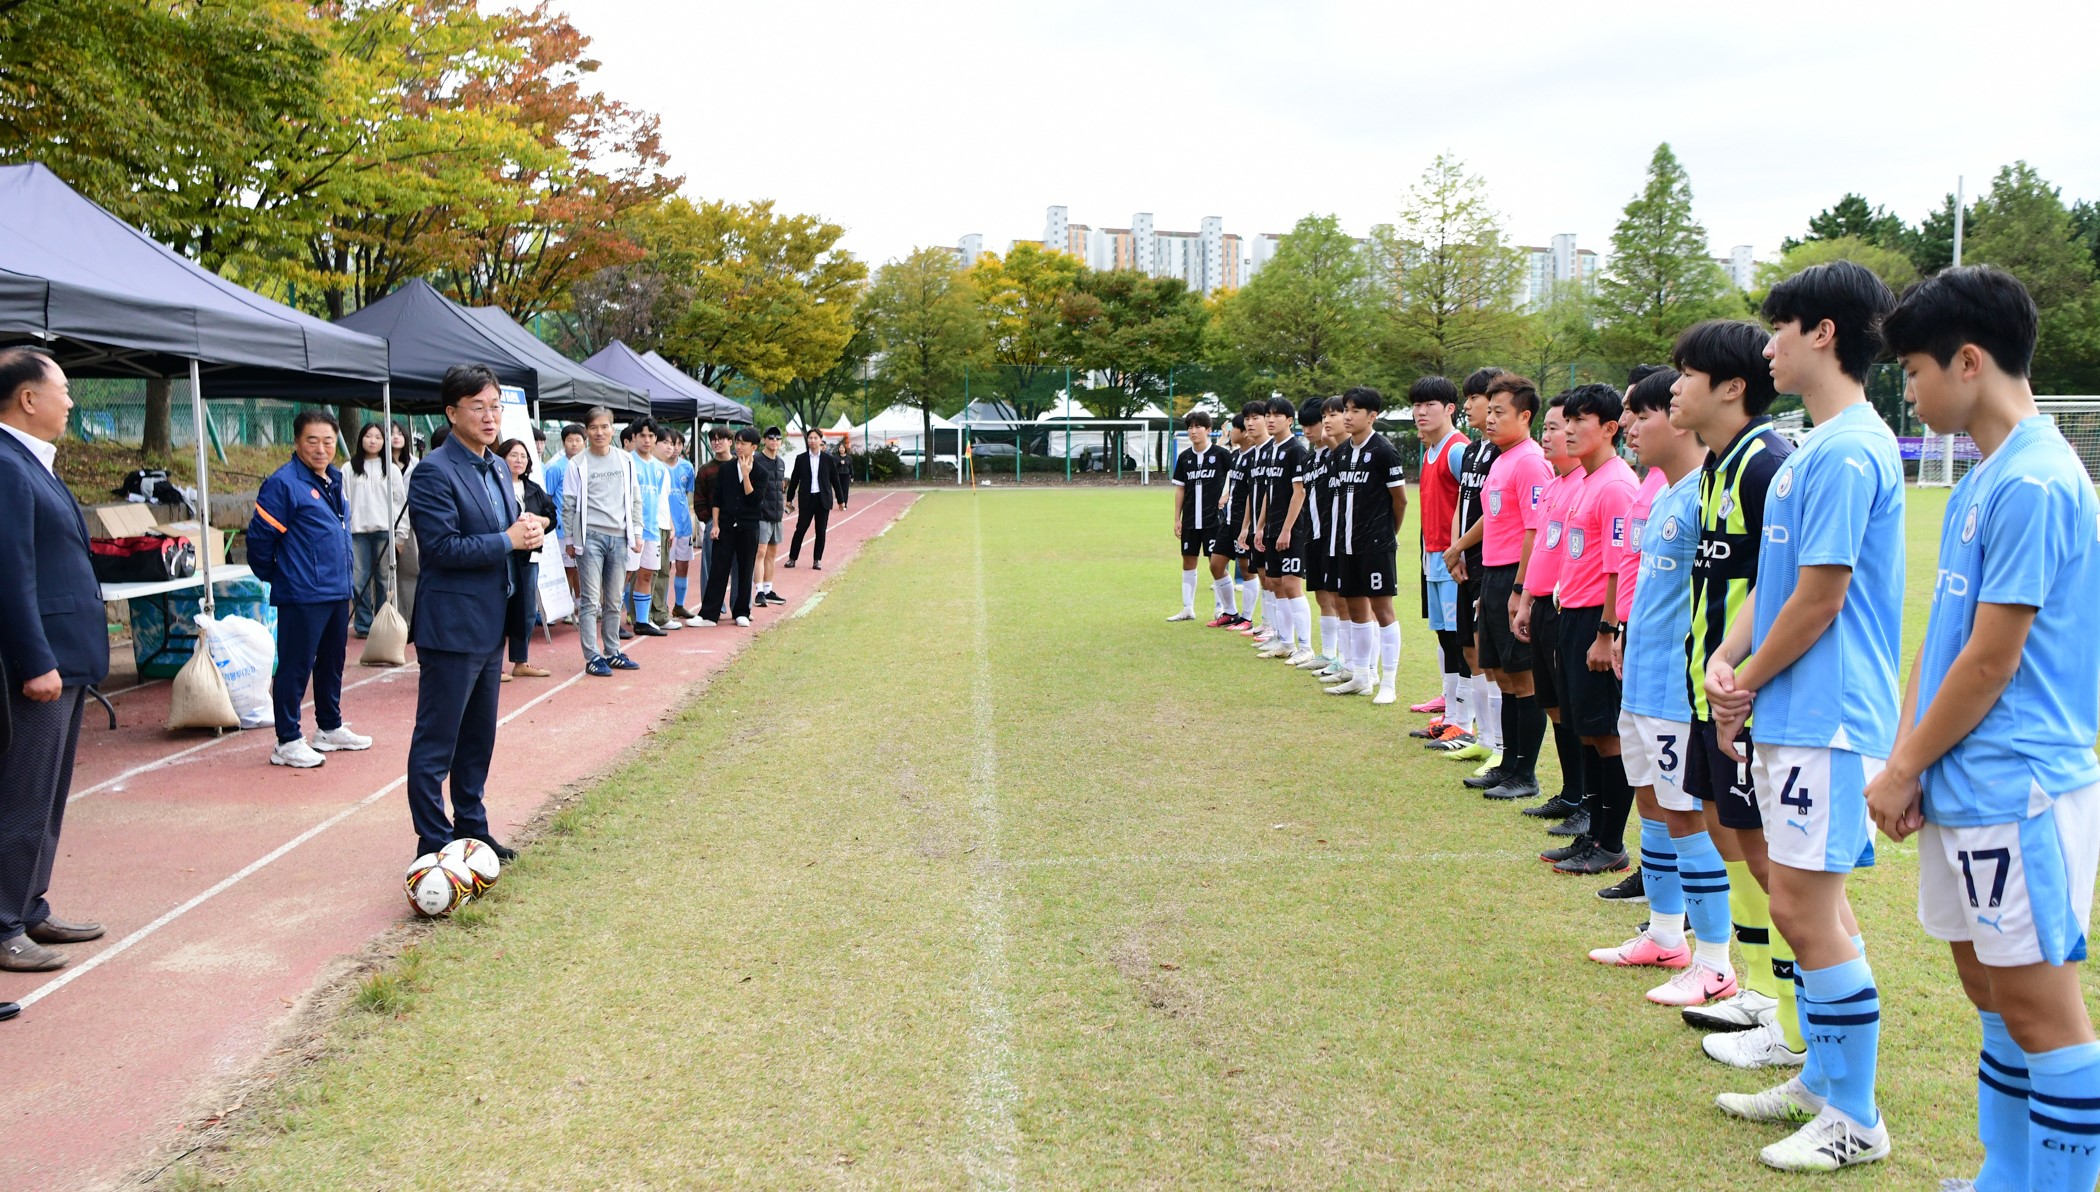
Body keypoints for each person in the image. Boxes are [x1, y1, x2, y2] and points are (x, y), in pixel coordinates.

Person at [1867, 266, 2100, 1192]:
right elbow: (1945, 635)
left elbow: (1995, 659)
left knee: (2044, 1010)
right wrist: (1907, 760)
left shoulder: (2039, 481)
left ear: (1970, 360)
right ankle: (2007, 1172)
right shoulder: (1978, 481)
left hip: (2022, 784)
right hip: (1961, 779)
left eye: (1916, 370)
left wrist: (1904, 766)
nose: (1911, 391)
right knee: (1991, 995)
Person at [1705, 260, 1902, 1171]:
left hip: (1826, 715)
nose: (1767, 345)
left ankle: (1854, 1117)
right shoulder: (1810, 446)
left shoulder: (1855, 446)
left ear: (1824, 332)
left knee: (1805, 905)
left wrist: (1744, 681)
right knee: (1803, 904)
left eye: (1778, 328)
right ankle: (1826, 1082)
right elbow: (1775, 583)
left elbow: (1821, 598)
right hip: (1793, 709)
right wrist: (1729, 653)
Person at [1588, 368, 1710, 972]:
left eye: (1641, 415)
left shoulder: (1705, 494)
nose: (1630, 427)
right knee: (1653, 806)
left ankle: (1713, 958)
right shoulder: (1662, 491)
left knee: (1685, 812)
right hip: (1639, 676)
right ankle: (1665, 934)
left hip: (1677, 687)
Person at [403, 364, 541, 862]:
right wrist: (506, 539)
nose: (490, 416)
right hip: (452, 626)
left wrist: (524, 529)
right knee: (438, 740)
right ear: (451, 412)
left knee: (478, 739)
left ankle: (472, 828)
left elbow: (501, 536)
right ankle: (434, 841)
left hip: (490, 622)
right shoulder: (434, 471)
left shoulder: (498, 467)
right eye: (478, 406)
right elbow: (440, 548)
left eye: (496, 406)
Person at [0, 348, 107, 979]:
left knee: (49, 796)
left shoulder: (31, 462)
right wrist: (34, 659)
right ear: (27, 398)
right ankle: (4, 923)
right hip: (41, 663)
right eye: (62, 389)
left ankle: (29, 902)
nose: (71, 401)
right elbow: (11, 574)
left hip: (67, 657)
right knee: (23, 794)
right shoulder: (8, 465)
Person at [1536, 382, 1639, 878]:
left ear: (1610, 428)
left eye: (1581, 421)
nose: (1571, 429)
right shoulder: (1587, 481)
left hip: (1595, 618)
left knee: (1606, 733)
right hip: (1572, 615)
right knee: (1587, 730)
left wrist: (1606, 629)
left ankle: (1611, 842)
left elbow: (1620, 566)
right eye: (1567, 420)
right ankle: (1594, 833)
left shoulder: (1617, 484)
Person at [246, 410, 371, 769]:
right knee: (296, 666)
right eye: (312, 441)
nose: (321, 448)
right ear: (297, 442)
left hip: (335, 589)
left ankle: (329, 728)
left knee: (332, 663)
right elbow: (259, 541)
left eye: (328, 441)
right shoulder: (283, 484)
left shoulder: (333, 479)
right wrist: (281, 575)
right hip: (302, 593)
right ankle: (287, 740)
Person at [1467, 375, 1552, 797]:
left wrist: (1520, 589)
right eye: (1490, 410)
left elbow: (1534, 532)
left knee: (1524, 678)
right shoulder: (1501, 458)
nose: (1490, 419)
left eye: (1500, 412)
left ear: (1525, 416)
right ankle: (1509, 762)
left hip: (1514, 578)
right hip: (1494, 575)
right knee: (1501, 674)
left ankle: (1526, 773)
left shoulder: (1531, 461)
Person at [1512, 397, 1589, 828]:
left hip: (1568, 608)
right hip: (1541, 604)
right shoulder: (1556, 483)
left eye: (1557, 427)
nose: (1548, 434)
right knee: (1556, 706)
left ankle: (1584, 801)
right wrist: (1524, 599)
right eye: (1548, 427)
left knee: (1575, 709)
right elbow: (1541, 548)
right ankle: (1570, 791)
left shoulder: (1586, 482)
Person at [1437, 367, 1508, 759]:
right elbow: (1461, 503)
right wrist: (1455, 550)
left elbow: (1494, 515)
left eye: (1474, 398)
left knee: (1489, 655)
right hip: (1465, 560)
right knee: (1470, 652)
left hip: (1489, 563)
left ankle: (1498, 743)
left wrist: (1461, 547)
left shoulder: (1502, 451)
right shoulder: (1474, 450)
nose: (1468, 406)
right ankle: (1480, 740)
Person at [1329, 387, 1408, 703]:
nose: (1348, 415)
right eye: (1346, 408)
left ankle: (1388, 681)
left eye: (1355, 410)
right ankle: (1361, 676)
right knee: (1355, 608)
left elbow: (1399, 501)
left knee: (1382, 610)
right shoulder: (1341, 453)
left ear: (1372, 416)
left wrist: (1388, 536)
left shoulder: (1384, 451)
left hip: (1376, 545)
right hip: (1347, 544)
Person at [560, 408, 642, 677]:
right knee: (590, 600)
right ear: (586, 431)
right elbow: (569, 504)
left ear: (613, 429)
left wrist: (637, 533)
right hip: (590, 538)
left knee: (614, 598)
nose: (599, 432)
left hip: (619, 536)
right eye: (593, 427)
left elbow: (634, 499)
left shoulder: (625, 460)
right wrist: (571, 539)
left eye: (604, 427)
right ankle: (592, 656)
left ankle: (612, 651)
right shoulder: (577, 464)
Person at [1410, 376, 1470, 722]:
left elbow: (1473, 503)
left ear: (1450, 409)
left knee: (1461, 640)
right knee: (1445, 637)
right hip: (1431, 556)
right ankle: (1450, 708)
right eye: (1417, 405)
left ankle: (1463, 719)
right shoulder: (1430, 451)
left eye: (1429, 404)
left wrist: (1459, 551)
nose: (1421, 412)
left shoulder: (1457, 449)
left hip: (1453, 560)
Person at [1252, 398, 1311, 662]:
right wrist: (1261, 526)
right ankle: (1285, 641)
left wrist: (1287, 529)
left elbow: (1299, 493)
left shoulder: (1295, 450)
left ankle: (1306, 646)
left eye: (1277, 415)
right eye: (1268, 414)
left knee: (1290, 584)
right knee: (1275, 583)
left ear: (1290, 420)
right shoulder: (1270, 451)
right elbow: (1267, 493)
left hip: (1293, 529)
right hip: (1272, 527)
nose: (1270, 419)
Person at [497, 438, 556, 682]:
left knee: (526, 608)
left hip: (529, 555)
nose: (519, 460)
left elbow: (552, 518)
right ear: (501, 458)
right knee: (499, 607)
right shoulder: (494, 486)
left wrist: (541, 521)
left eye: (523, 456)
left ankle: (521, 661)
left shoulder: (533, 488)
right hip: (501, 553)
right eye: (513, 455)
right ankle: (494, 666)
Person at [343, 421, 407, 638]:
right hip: (357, 532)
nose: (373, 441)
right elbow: (343, 502)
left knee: (384, 580)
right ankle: (363, 624)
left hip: (385, 532)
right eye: (369, 436)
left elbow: (401, 504)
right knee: (358, 579)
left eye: (378, 437)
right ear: (361, 438)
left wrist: (401, 536)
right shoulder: (348, 468)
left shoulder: (391, 469)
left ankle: (382, 623)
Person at [1168, 412, 1233, 623]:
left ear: (1207, 429)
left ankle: (1220, 608)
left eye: (1198, 427)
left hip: (1214, 520)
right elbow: (1180, 490)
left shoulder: (1221, 454)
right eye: (1190, 427)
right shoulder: (1184, 457)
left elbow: (1237, 478)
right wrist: (1177, 518)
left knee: (1216, 563)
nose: (1193, 431)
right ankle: (1188, 608)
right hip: (1190, 520)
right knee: (1188, 561)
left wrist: (1227, 494)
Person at [698, 427, 764, 627]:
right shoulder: (726, 469)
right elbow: (717, 499)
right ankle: (709, 614)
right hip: (725, 525)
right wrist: (715, 524)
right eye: (737, 442)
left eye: (743, 443)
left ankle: (742, 611)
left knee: (745, 569)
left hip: (748, 527)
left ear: (753, 447)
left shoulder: (761, 472)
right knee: (719, 567)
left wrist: (746, 475)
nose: (739, 446)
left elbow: (754, 500)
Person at [621, 421, 669, 637]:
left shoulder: (659, 467)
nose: (647, 440)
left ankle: (642, 621)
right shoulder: (627, 462)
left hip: (652, 529)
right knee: (624, 575)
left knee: (647, 574)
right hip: (630, 530)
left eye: (651, 436)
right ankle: (614, 621)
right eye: (642, 435)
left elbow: (658, 499)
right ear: (634, 438)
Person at [685, 427, 736, 627]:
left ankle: (739, 606)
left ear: (730, 442)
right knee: (709, 565)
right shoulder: (706, 470)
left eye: (721, 439)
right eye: (713, 439)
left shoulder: (740, 465)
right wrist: (708, 520)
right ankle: (711, 606)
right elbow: (699, 500)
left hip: (736, 524)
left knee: (738, 566)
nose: (717, 442)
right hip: (712, 524)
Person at [786, 429, 850, 572]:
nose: (812, 441)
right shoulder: (801, 459)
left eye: (815, 438)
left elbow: (835, 480)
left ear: (821, 440)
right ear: (807, 440)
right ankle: (792, 558)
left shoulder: (828, 459)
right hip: (807, 500)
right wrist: (789, 498)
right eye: (810, 438)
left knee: (820, 531)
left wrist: (841, 500)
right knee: (800, 529)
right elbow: (795, 479)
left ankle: (817, 560)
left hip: (823, 500)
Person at [543, 423, 586, 602]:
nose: (574, 444)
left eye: (578, 440)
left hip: (585, 527)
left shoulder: (588, 465)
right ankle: (567, 606)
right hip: (564, 528)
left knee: (581, 568)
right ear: (563, 442)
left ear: (585, 442)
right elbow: (548, 497)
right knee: (568, 568)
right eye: (570, 440)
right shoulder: (556, 467)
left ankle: (579, 602)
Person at [661, 430, 698, 619]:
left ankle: (679, 605)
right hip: (664, 526)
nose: (674, 448)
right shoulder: (658, 466)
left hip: (683, 525)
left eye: (678, 445)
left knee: (683, 565)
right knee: (663, 568)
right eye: (670, 444)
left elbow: (689, 497)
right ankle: (661, 607)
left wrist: (691, 520)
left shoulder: (687, 467)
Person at [753, 427, 788, 606]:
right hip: (761, 514)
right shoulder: (756, 460)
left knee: (772, 553)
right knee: (760, 552)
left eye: (778, 438)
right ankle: (758, 591)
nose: (774, 441)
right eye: (771, 438)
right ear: (765, 440)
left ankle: (768, 589)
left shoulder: (781, 462)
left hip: (776, 514)